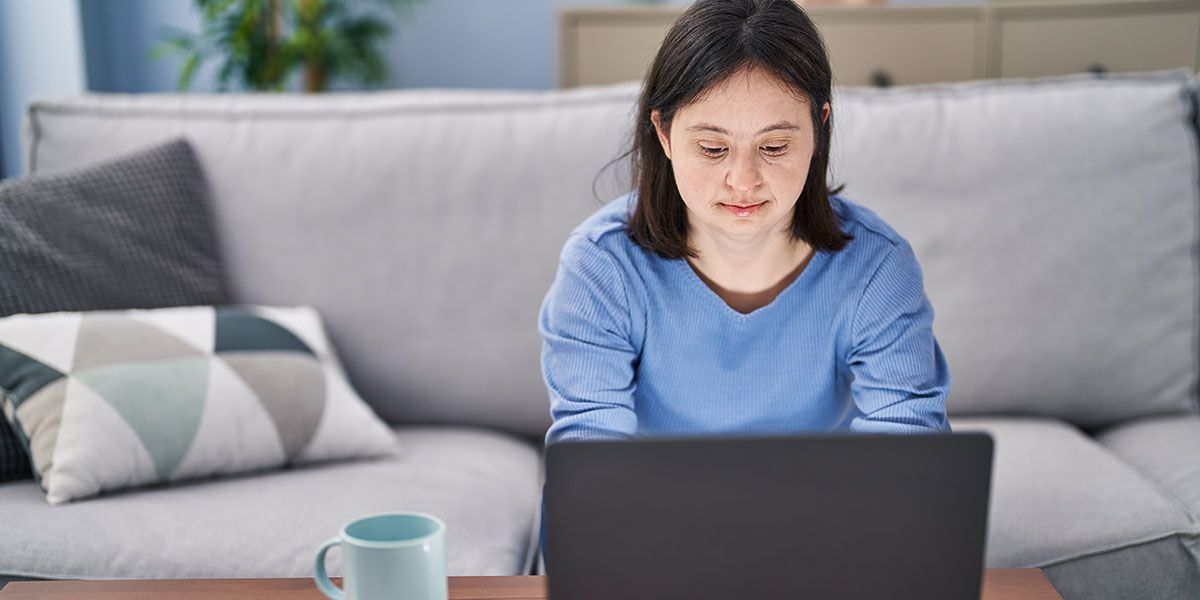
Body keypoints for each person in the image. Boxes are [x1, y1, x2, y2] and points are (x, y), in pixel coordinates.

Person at [535, 0, 951, 573]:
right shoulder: (601, 267)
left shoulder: (876, 269)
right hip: (649, 543)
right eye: (712, 148)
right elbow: (590, 460)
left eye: (775, 147)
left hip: (821, 543)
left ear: (818, 128)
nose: (742, 180)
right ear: (663, 131)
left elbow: (906, 452)